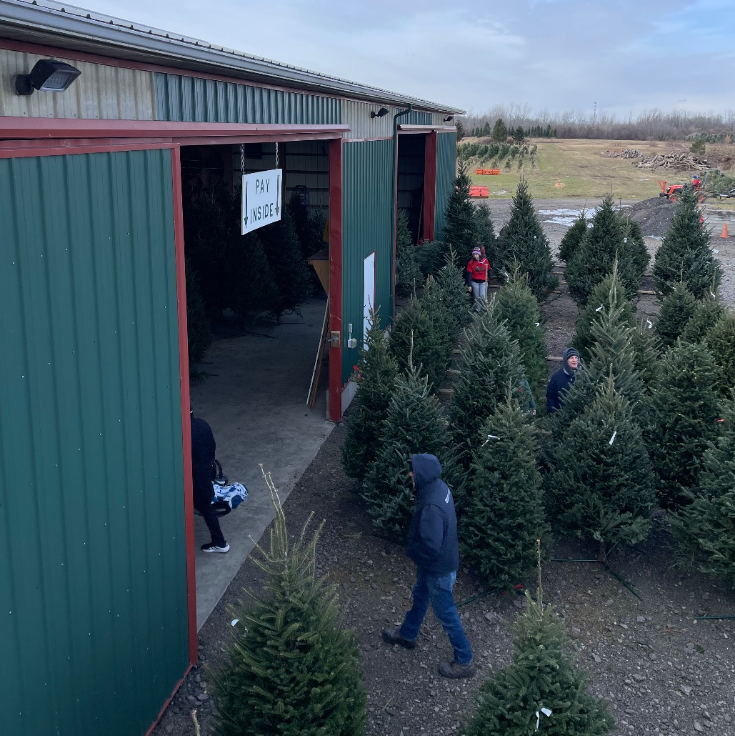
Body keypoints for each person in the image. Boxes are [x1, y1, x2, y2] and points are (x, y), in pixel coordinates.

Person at [382, 454, 475, 679]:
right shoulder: (439, 488)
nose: (410, 474)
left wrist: (412, 550)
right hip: (437, 563)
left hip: (438, 568)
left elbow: (431, 547)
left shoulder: (431, 505)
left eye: (413, 471)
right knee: (420, 595)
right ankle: (408, 634)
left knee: (446, 613)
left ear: (422, 473)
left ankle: (465, 660)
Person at [190, 410, 229, 553]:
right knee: (205, 504)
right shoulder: (202, 424)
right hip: (207, 471)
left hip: (196, 476)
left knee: (205, 507)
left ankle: (220, 542)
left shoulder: (185, 432)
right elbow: (213, 446)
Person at [546, 346, 582, 414]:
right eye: (571, 358)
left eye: (576, 358)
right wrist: (553, 413)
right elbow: (551, 397)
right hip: (562, 416)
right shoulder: (556, 377)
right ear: (566, 360)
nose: (574, 360)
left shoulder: (586, 375)